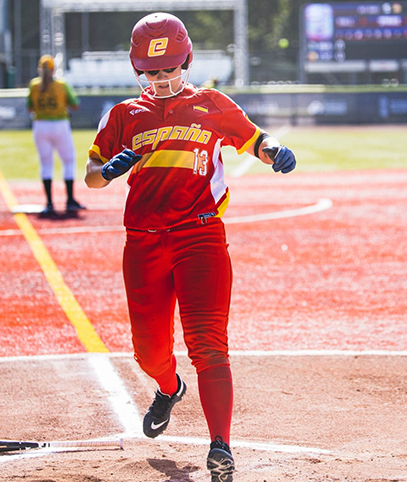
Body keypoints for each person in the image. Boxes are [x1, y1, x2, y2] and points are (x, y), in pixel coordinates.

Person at [84, 12, 296, 482]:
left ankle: (221, 444)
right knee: (149, 352)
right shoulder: (122, 115)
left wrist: (276, 152)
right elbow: (91, 176)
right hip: (142, 243)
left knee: (208, 344)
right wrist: (112, 169)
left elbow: (256, 139)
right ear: (138, 70)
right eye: (151, 72)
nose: (161, 79)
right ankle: (168, 386)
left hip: (200, 236)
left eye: (170, 69)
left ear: (187, 61)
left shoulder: (212, 104)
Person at [27, 54, 84, 215]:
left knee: (46, 164)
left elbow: (29, 108)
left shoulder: (34, 85)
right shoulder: (61, 84)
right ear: (54, 70)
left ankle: (50, 203)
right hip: (60, 124)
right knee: (68, 161)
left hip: (40, 125)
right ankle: (70, 200)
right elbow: (75, 105)